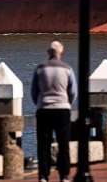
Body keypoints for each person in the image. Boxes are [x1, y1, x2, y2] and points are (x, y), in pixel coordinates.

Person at [31, 40, 77, 182]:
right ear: (61, 52)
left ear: (48, 52)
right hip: (62, 110)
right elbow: (73, 92)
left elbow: (34, 92)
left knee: (43, 144)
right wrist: (67, 103)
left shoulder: (40, 69)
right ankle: (64, 175)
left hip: (44, 109)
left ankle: (43, 176)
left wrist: (40, 103)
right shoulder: (68, 69)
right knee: (64, 144)